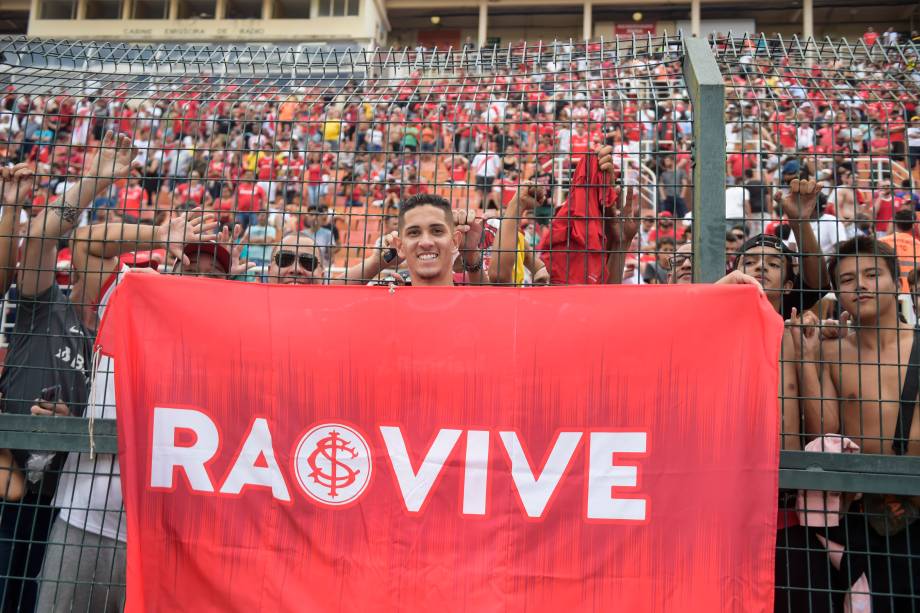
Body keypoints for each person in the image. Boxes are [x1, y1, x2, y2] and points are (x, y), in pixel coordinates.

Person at [1, 133, 135, 613]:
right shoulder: (44, 306)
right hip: (8, 489)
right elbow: (38, 238)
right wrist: (96, 180)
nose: (113, 276)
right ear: (78, 266)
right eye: (104, 264)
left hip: (50, 503)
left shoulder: (108, 348)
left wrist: (63, 422)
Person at [793, 236, 920, 611]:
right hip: (868, 521)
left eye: (871, 274)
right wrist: (808, 359)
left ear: (898, 284)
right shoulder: (830, 352)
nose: (859, 285)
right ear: (836, 292)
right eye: (847, 279)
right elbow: (824, 433)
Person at [392, 194, 488, 286]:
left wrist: (471, 254)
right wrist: (376, 264)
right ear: (400, 246)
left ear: (455, 241)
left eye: (437, 231)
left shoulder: (468, 290)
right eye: (414, 233)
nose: (426, 242)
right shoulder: (389, 295)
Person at [878, 208, 920, 294]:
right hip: (912, 291)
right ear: (913, 225)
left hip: (888, 291)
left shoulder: (881, 243)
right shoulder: (918, 245)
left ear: (895, 223)